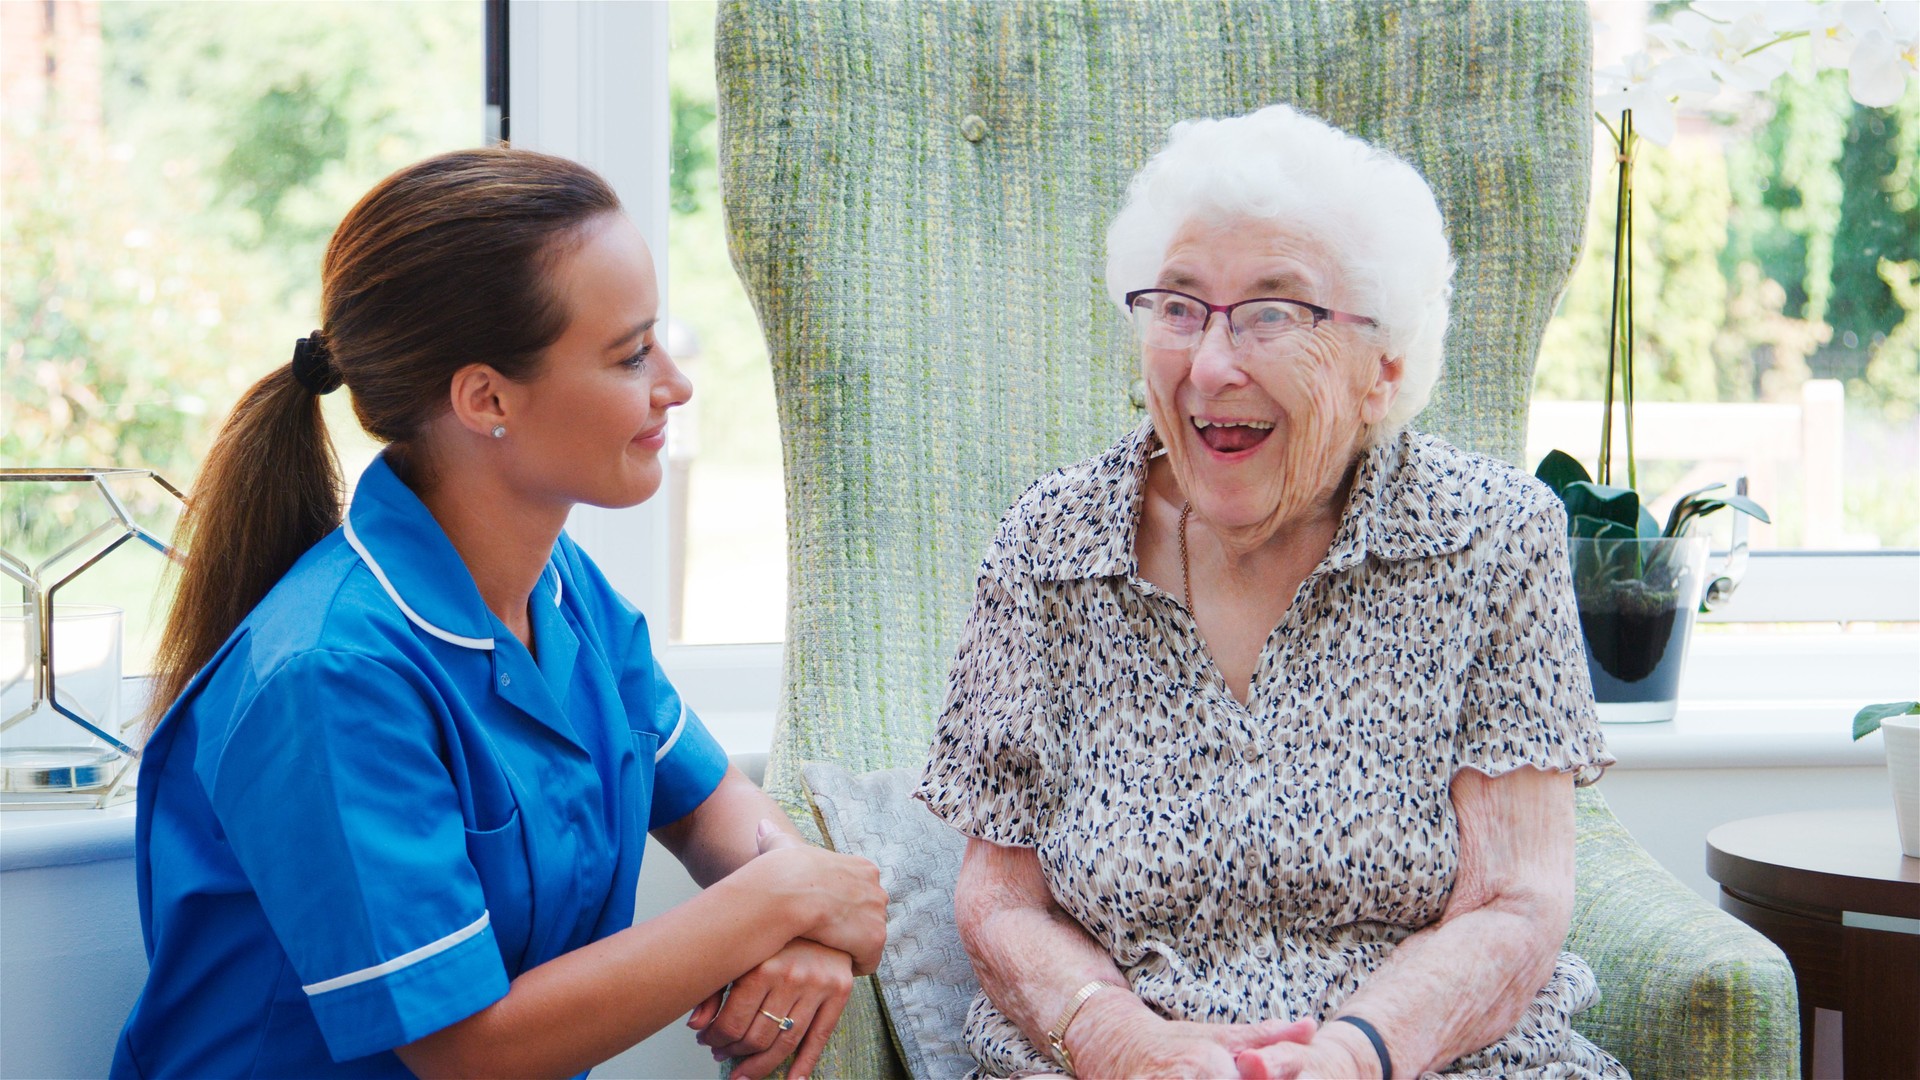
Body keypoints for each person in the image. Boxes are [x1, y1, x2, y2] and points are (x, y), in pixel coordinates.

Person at [113, 147, 886, 1080]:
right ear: (485, 399)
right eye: (631, 353)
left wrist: (803, 924)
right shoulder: (330, 674)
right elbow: (465, 1049)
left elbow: (712, 803)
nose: (675, 385)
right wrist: (778, 905)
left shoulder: (564, 589)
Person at [915, 105, 1624, 1079]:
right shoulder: (1051, 546)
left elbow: (1518, 902)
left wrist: (1355, 1056)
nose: (1211, 365)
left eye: (1274, 313)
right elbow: (998, 902)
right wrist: (1131, 1047)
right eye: (1179, 306)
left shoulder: (1492, 539)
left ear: (1384, 368)